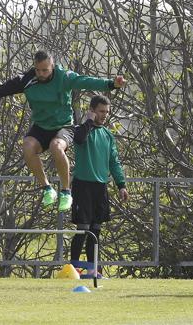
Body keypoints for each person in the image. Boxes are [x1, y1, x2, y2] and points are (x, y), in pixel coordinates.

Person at [0, 50, 126, 211]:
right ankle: (47, 189)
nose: (41, 74)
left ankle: (65, 192)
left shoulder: (64, 77)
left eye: (45, 70)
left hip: (64, 126)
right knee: (28, 146)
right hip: (41, 127)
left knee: (56, 147)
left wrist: (111, 84)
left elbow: (86, 81)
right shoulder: (26, 80)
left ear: (52, 67)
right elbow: (0, 90)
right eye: (38, 70)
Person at [69, 95, 128, 277]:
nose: (104, 115)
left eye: (107, 112)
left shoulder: (108, 135)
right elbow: (78, 140)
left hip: (100, 187)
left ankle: (92, 268)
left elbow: (114, 162)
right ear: (92, 111)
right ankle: (74, 268)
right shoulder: (81, 129)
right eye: (101, 111)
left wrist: (121, 184)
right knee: (83, 228)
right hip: (82, 185)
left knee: (96, 229)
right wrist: (88, 121)